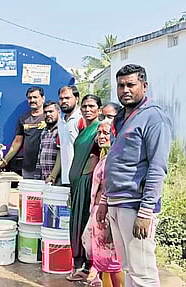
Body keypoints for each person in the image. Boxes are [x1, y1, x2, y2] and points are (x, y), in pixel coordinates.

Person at [98, 64, 172, 287]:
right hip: (116, 201)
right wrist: (105, 200)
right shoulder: (121, 117)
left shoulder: (154, 118)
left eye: (131, 84)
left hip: (135, 205)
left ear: (144, 86)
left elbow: (157, 167)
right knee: (129, 267)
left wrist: (146, 211)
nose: (125, 90)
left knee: (143, 273)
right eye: (121, 85)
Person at [82, 119, 122, 287]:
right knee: (104, 259)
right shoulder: (103, 157)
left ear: (115, 135)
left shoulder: (114, 159)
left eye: (106, 133)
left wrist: (108, 221)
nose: (101, 136)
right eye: (99, 133)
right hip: (98, 212)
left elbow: (108, 189)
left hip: (106, 213)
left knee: (113, 260)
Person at [67, 94, 102, 281]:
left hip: (88, 183)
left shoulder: (99, 130)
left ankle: (91, 269)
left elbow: (103, 155)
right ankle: (81, 267)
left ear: (99, 109)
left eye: (92, 106)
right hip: (77, 184)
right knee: (77, 225)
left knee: (87, 226)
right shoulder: (83, 130)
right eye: (85, 106)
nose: (87, 109)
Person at [0, 86, 46, 179]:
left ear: (43, 98)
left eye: (35, 97)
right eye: (30, 98)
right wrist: (5, 161)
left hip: (46, 165)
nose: (32, 100)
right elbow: (17, 142)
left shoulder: (49, 116)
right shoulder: (23, 118)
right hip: (29, 167)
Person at [49, 85, 84, 185]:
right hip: (65, 178)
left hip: (79, 177)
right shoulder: (61, 122)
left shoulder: (81, 119)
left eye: (67, 98)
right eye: (61, 98)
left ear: (76, 99)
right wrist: (53, 176)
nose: (64, 101)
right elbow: (61, 150)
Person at [34, 100, 60, 182]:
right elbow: (40, 156)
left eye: (51, 111)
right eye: (45, 112)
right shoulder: (44, 132)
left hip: (58, 179)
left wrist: (53, 175)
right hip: (44, 179)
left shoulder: (62, 130)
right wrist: (37, 177)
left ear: (58, 112)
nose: (48, 114)